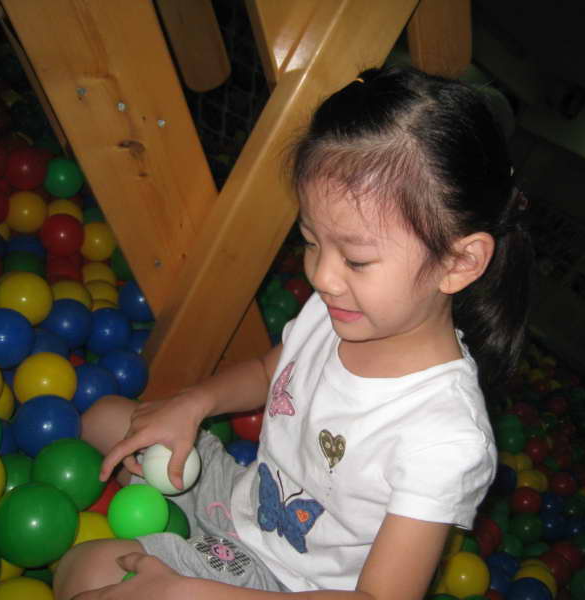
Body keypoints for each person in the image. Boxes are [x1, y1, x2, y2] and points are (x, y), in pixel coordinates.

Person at [55, 65, 532, 600]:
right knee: (103, 418)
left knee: (87, 571)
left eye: (356, 259)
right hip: (242, 498)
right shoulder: (342, 309)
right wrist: (192, 404)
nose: (321, 276)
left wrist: (185, 592)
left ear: (459, 262)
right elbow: (269, 371)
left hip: (290, 583)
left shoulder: (446, 437)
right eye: (311, 241)